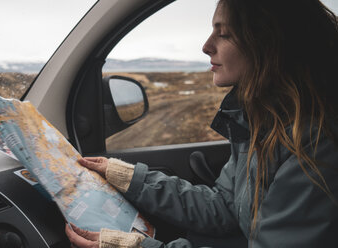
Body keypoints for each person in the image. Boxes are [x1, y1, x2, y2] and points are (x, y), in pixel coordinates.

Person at [65, 0, 338, 247]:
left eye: (224, 33)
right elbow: (226, 206)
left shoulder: (316, 143)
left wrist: (134, 246)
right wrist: (129, 178)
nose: (206, 46)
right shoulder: (262, 122)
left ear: (269, 43)